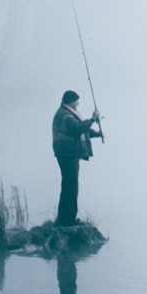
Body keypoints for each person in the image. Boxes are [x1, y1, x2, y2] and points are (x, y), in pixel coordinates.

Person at [51, 89, 101, 227]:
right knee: (71, 186)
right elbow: (78, 128)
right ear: (70, 102)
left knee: (69, 185)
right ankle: (67, 220)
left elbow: (79, 129)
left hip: (67, 153)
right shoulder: (65, 115)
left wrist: (96, 134)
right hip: (67, 154)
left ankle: (66, 217)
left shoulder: (65, 113)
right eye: (76, 101)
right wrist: (92, 119)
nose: (78, 103)